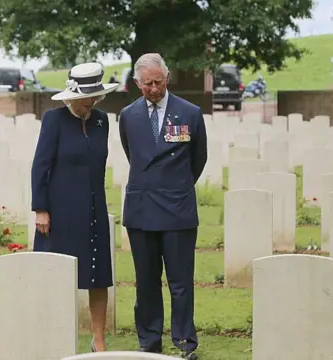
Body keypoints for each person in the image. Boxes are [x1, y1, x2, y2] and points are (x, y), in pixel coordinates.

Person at [118, 53, 207, 359]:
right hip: (142, 210)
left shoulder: (190, 113)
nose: (154, 89)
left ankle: (184, 342)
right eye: (147, 84)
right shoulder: (128, 116)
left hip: (177, 209)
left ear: (167, 78)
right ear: (136, 83)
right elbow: (134, 155)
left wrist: (177, 186)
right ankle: (149, 340)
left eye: (158, 81)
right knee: (146, 281)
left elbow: (198, 159)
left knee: (180, 283)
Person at [31, 62, 119, 353]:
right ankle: (51, 333)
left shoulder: (101, 121)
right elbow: (40, 166)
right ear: (72, 96)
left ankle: (99, 341)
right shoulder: (53, 120)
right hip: (59, 211)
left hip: (93, 209)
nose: (90, 104)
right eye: (85, 100)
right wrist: (41, 209)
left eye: (94, 99)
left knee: (99, 275)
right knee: (56, 274)